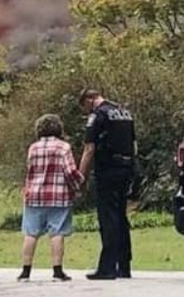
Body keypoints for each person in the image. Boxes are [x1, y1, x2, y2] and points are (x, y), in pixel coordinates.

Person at [17, 114, 84, 282]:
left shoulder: (33, 148)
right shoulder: (63, 147)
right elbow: (69, 172)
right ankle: (57, 271)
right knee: (57, 233)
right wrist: (78, 186)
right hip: (58, 196)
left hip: (33, 196)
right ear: (58, 128)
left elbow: (30, 171)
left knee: (31, 233)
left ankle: (25, 272)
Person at [78, 88, 137, 280]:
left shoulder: (98, 115)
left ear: (89, 100)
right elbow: (134, 145)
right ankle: (124, 265)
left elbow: (89, 148)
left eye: (85, 107)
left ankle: (108, 267)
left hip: (108, 170)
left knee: (108, 218)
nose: (87, 112)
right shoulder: (125, 113)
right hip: (126, 168)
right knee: (121, 216)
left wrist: (81, 177)